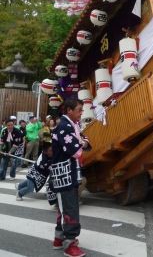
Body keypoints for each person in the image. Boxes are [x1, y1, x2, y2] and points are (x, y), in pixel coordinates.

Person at [50, 99, 90, 257]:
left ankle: (59, 239)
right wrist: (83, 142)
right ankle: (69, 243)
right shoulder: (64, 127)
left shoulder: (71, 125)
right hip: (64, 174)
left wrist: (83, 142)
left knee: (64, 207)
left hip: (68, 173)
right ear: (69, 111)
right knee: (70, 208)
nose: (81, 113)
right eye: (79, 110)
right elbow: (76, 150)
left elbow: (82, 141)